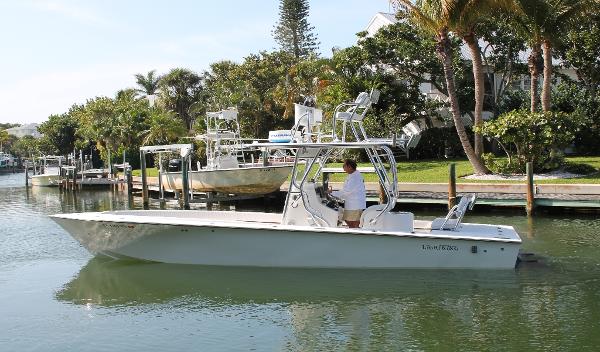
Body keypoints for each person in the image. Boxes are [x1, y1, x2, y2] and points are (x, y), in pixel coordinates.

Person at [328, 159, 366, 228]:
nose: (343, 167)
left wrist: (332, 193)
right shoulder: (353, 175)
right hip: (352, 204)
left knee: (353, 225)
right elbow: (346, 190)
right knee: (349, 222)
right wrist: (334, 192)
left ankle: (355, 237)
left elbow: (346, 192)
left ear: (349, 167)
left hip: (354, 205)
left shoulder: (354, 178)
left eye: (344, 165)